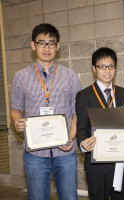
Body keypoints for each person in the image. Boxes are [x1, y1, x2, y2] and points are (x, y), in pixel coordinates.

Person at [10, 23, 81, 200]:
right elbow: (16, 108)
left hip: (64, 152)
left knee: (69, 197)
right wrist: (16, 120)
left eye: (51, 43)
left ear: (58, 46)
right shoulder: (21, 76)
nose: (47, 48)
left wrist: (70, 138)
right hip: (35, 154)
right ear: (33, 45)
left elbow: (76, 112)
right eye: (42, 43)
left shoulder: (71, 76)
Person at [76, 47, 124, 200]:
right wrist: (83, 144)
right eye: (102, 66)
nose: (107, 71)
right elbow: (81, 127)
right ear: (94, 69)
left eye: (111, 66)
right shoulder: (84, 96)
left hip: (120, 162)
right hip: (97, 164)